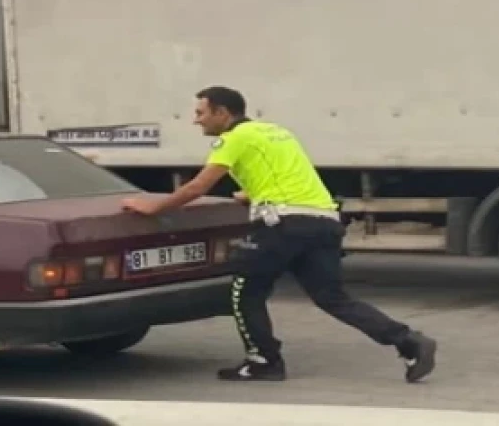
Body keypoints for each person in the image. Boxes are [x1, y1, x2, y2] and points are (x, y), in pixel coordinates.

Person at [120, 86, 437, 383]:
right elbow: (286, 175)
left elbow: (197, 186)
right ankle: (408, 341)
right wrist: (253, 193)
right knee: (333, 298)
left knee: (245, 290)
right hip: (322, 220)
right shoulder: (276, 132)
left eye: (201, 113)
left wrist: (154, 207)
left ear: (222, 113)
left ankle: (264, 361)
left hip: (284, 224)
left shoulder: (234, 138)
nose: (195, 120)